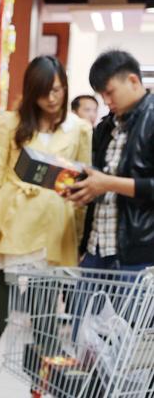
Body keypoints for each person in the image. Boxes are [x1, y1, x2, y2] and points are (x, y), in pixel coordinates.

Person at [0, 55, 92, 398]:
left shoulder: (79, 128)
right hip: (10, 231)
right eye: (43, 92)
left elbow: (85, 184)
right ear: (31, 92)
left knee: (46, 325)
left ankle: (41, 390)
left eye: (57, 89)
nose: (52, 98)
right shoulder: (11, 123)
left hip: (53, 234)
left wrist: (79, 238)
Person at [67, 50, 154, 272]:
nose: (106, 101)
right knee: (81, 307)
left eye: (110, 92)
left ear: (133, 81)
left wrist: (107, 183)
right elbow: (99, 178)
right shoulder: (106, 127)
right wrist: (83, 188)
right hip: (96, 247)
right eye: (101, 95)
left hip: (137, 256)